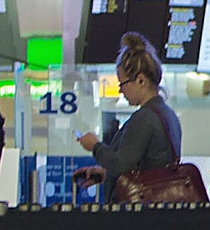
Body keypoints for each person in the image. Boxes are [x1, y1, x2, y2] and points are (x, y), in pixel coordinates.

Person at [75, 31, 184, 199]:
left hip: (140, 217)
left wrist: (95, 146)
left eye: (123, 83)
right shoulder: (168, 115)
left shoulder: (145, 118)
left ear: (141, 80)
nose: (121, 90)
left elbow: (120, 163)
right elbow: (146, 168)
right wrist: (106, 174)